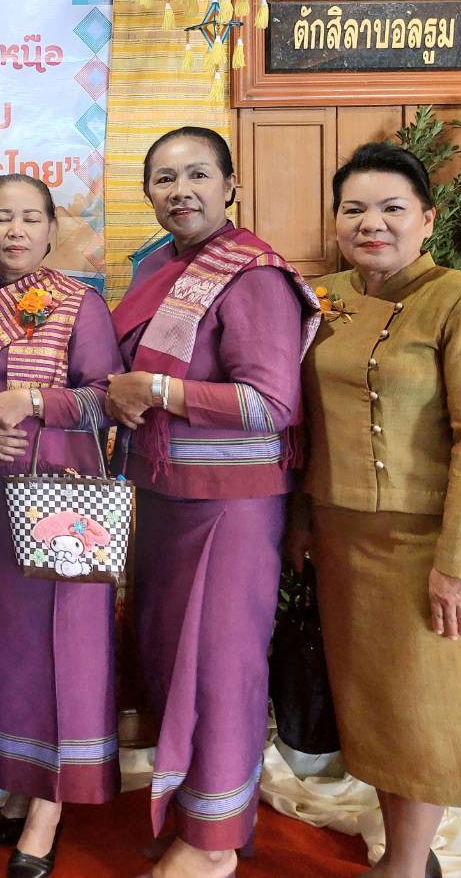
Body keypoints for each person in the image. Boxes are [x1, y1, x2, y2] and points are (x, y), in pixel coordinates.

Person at [288, 142, 461, 878]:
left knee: (423, 711)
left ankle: (407, 866)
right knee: (377, 709)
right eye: (353, 209)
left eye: (391, 208)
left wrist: (459, 563)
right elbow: (303, 421)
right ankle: (402, 854)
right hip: (342, 540)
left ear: (427, 219)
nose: (371, 223)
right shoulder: (321, 298)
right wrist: (300, 521)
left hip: (428, 546)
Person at [105, 127, 318, 878]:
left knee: (220, 670)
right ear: (147, 193)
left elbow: (269, 406)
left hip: (231, 510)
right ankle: (197, 815)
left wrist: (158, 391)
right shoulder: (156, 267)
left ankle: (213, 844)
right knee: (174, 663)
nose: (180, 190)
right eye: (164, 178)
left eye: (197, 174)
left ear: (231, 185)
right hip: (165, 500)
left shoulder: (252, 274)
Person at [0, 174, 124, 878]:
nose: (16, 230)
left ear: (52, 229)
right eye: (2, 217)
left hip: (64, 500)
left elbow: (108, 400)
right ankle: (19, 786)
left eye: (31, 217)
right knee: (5, 649)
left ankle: (51, 806)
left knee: (67, 649)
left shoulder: (80, 302)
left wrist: (32, 402)